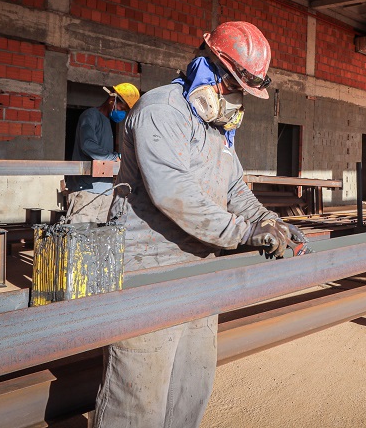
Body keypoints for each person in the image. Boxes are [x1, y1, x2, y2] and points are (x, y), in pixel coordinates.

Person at [93, 21, 306, 428]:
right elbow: (173, 192)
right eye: (234, 86)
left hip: (201, 274)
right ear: (211, 68)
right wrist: (243, 234)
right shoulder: (160, 111)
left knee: (190, 393)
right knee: (137, 403)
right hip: (148, 278)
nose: (236, 97)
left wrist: (269, 221)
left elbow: (236, 190)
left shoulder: (216, 130)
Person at [65, 82, 140, 223]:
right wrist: (115, 157)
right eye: (121, 107)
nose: (121, 112)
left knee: (99, 238)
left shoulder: (107, 123)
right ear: (112, 99)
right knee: (79, 237)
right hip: (87, 191)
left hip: (105, 192)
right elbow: (87, 145)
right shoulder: (90, 116)